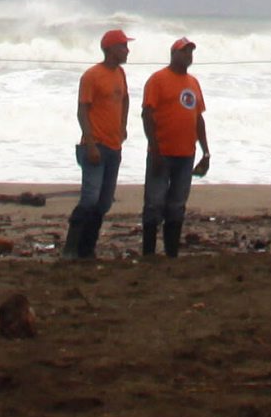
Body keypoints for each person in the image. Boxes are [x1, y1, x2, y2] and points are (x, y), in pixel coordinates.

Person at [139, 35, 212, 256]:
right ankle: (149, 253)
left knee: (177, 205)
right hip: (161, 153)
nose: (188, 56)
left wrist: (206, 152)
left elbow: (198, 118)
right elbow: (147, 115)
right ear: (173, 54)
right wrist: (155, 148)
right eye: (184, 51)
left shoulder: (193, 83)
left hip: (186, 154)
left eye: (190, 52)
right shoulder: (158, 80)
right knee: (154, 203)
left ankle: (172, 253)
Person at [65, 27, 131, 259]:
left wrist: (123, 126)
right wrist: (90, 143)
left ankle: (87, 248)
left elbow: (125, 99)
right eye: (123, 46)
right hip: (95, 145)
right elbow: (82, 111)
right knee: (90, 199)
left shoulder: (120, 74)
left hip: (114, 146)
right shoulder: (92, 75)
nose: (127, 50)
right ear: (111, 49)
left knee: (104, 202)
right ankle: (71, 248)